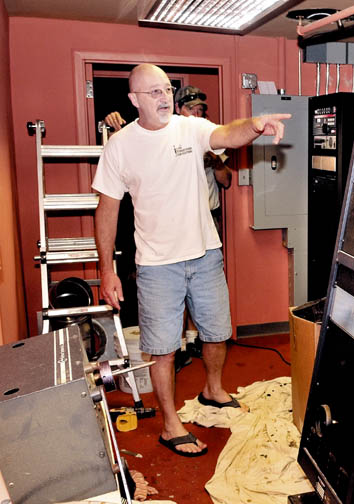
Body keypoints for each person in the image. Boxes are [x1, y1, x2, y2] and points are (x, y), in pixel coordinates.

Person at [93, 63, 290, 457]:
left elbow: (225, 134)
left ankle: (213, 390)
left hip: (204, 255)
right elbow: (107, 208)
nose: (164, 96)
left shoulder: (189, 128)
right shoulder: (120, 146)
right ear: (134, 99)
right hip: (156, 265)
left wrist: (255, 124)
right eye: (154, 92)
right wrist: (106, 269)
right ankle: (170, 426)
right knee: (162, 349)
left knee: (217, 332)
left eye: (167, 88)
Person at [105, 84, 233, 364]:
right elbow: (130, 143)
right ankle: (183, 344)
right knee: (172, 306)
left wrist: (215, 161)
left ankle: (195, 345)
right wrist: (108, 122)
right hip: (162, 240)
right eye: (191, 108)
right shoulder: (148, 138)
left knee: (207, 304)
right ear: (178, 109)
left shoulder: (201, 135)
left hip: (206, 225)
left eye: (200, 109)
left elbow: (227, 180)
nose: (197, 113)